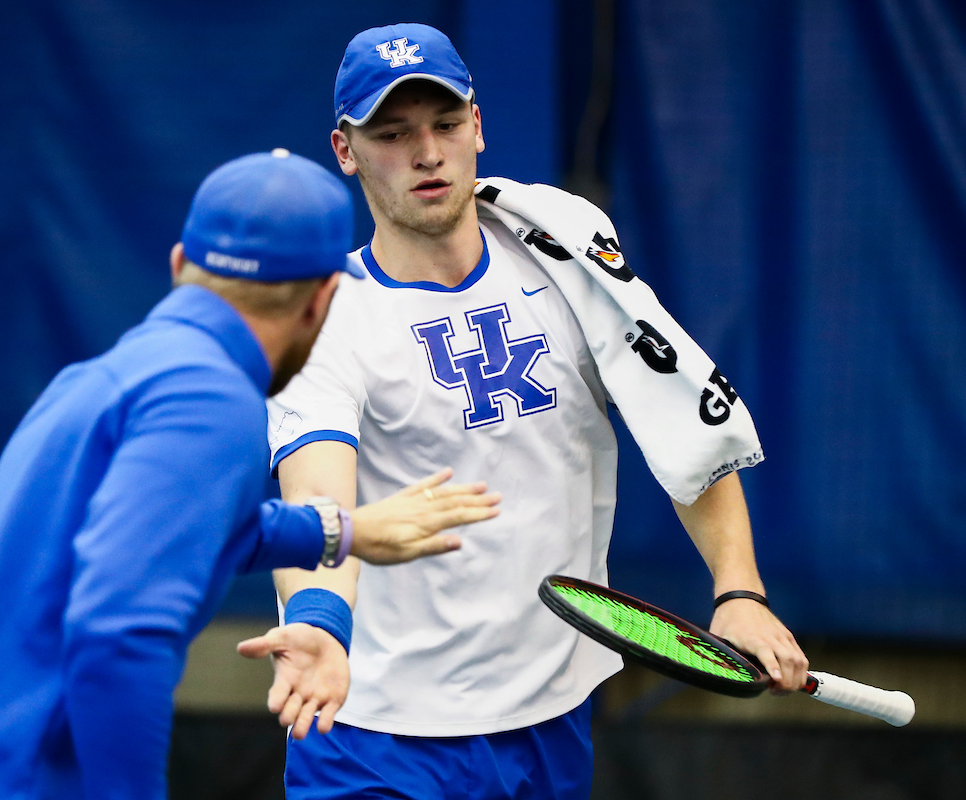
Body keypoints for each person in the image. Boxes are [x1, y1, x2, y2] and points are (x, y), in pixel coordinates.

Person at [0, 149, 500, 800]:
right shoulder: (212, 402)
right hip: (4, 780)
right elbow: (118, 631)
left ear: (180, 264)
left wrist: (341, 532)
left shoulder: (108, 377)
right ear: (323, 299)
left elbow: (184, 530)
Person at [263, 24, 811, 799]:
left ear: (478, 128)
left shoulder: (564, 244)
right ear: (346, 150)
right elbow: (318, 496)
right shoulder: (327, 317)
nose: (427, 153)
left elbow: (676, 418)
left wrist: (739, 592)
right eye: (393, 133)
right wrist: (320, 622)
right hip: (372, 732)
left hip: (550, 719)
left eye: (446, 125)